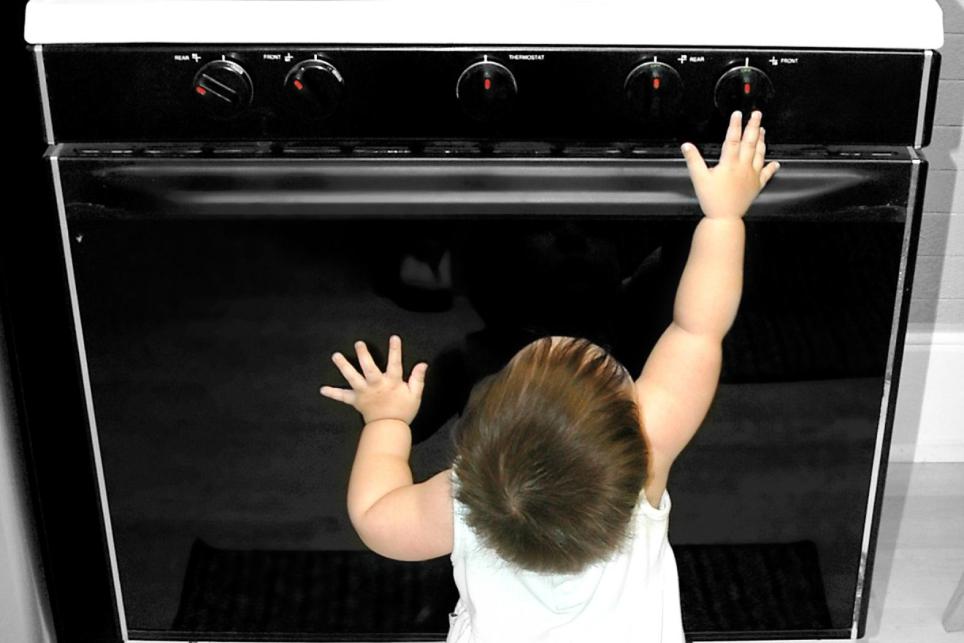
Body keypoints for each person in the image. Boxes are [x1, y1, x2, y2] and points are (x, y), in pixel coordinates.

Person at [319, 109, 780, 641]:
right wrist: (724, 218)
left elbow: (377, 515)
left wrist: (385, 419)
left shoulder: (462, 499)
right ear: (634, 425)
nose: (557, 338)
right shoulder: (644, 463)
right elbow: (698, 329)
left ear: (464, 453)